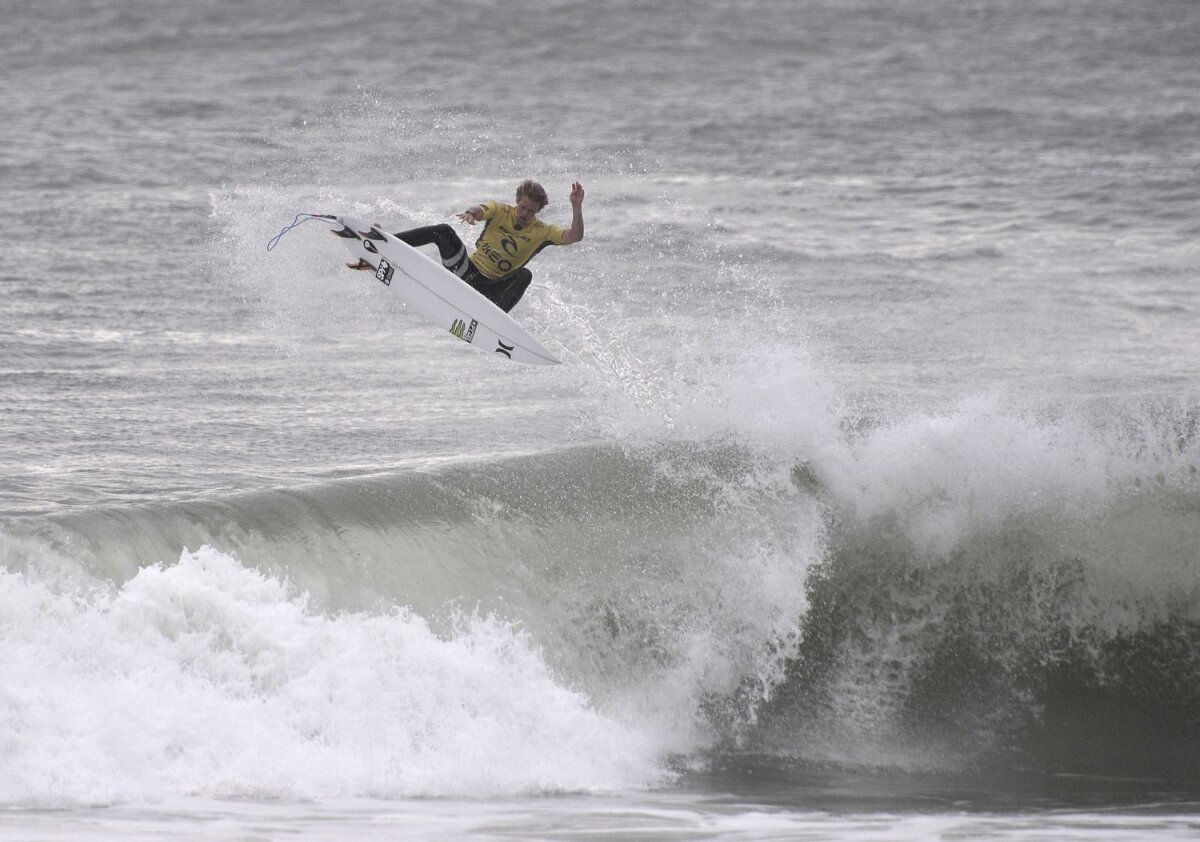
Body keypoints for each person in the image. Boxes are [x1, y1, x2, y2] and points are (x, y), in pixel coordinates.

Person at [350, 180, 585, 313]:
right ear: (517, 201)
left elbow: (574, 236)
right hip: (466, 274)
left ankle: (494, 318)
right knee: (442, 231)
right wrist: (472, 213)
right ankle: (385, 244)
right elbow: (482, 208)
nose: (524, 214)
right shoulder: (501, 211)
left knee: (525, 275)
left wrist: (576, 207)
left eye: (530, 211)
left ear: (538, 211)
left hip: (490, 291)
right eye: (522, 207)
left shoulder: (542, 232)